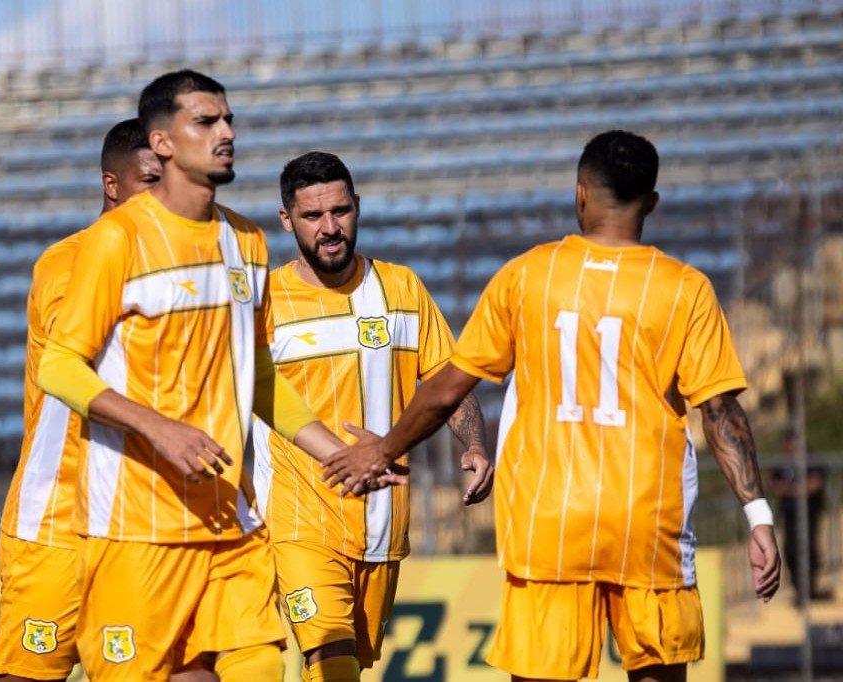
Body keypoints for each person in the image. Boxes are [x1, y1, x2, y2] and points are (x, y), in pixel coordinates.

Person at [323, 130, 781, 681]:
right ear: (653, 202)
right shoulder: (686, 289)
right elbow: (721, 411)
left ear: (580, 193)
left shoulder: (528, 276)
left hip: (550, 519)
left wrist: (384, 449)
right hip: (646, 518)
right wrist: (758, 516)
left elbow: (448, 389)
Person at [37, 70, 396, 681]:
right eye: (205, 121)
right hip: (136, 526)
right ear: (163, 143)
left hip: (229, 519)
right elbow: (58, 365)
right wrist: (160, 430)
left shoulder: (247, 241)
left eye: (228, 119)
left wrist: (338, 456)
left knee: (259, 667)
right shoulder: (115, 242)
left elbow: (254, 377)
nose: (226, 132)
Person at [254, 151, 492, 681]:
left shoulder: (402, 290)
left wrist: (474, 445)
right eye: (313, 216)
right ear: (286, 220)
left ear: (358, 206)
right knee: (330, 660)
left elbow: (446, 381)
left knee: (352, 667)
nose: (330, 228)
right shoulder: (264, 303)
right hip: (299, 526)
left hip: (384, 530)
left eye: (340, 211)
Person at [0, 118, 163, 682]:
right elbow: (76, 361)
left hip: (139, 522)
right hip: (57, 516)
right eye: (149, 182)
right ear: (112, 186)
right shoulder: (68, 263)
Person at [768, 431, 830, 603]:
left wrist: (794, 491)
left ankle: (809, 587)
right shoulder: (784, 464)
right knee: (790, 550)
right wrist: (789, 490)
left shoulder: (811, 461)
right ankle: (799, 589)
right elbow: (772, 481)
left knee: (808, 548)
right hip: (789, 515)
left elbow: (815, 483)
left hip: (809, 514)